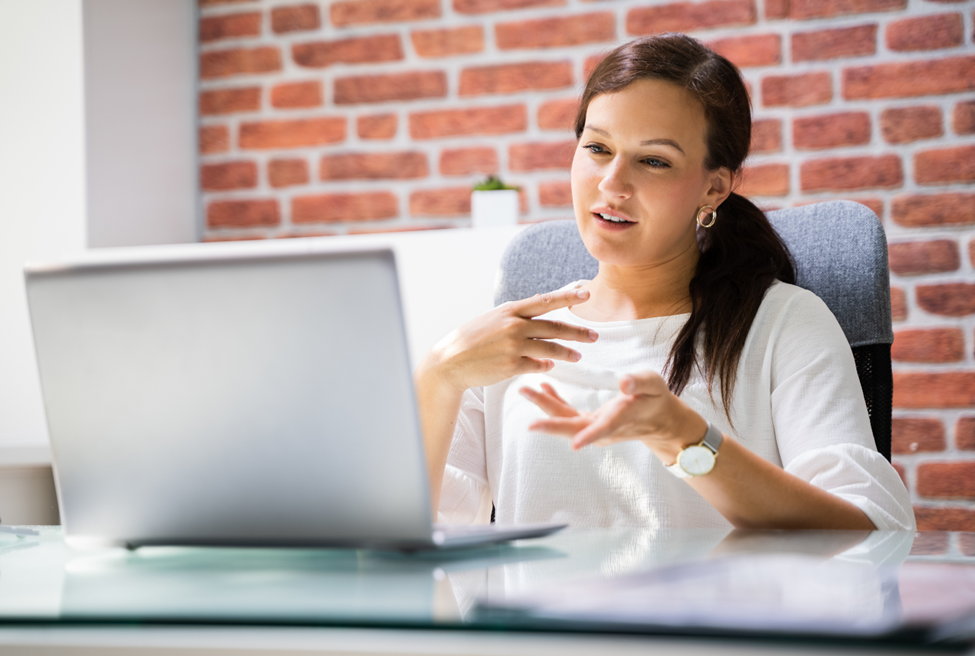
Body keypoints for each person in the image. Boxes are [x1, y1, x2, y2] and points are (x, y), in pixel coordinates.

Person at [414, 33, 915, 531]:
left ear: (713, 187)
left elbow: (873, 526)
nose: (612, 183)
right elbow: (407, 533)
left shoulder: (783, 323)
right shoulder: (510, 341)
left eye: (653, 160)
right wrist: (439, 377)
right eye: (597, 148)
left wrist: (686, 438)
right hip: (526, 612)